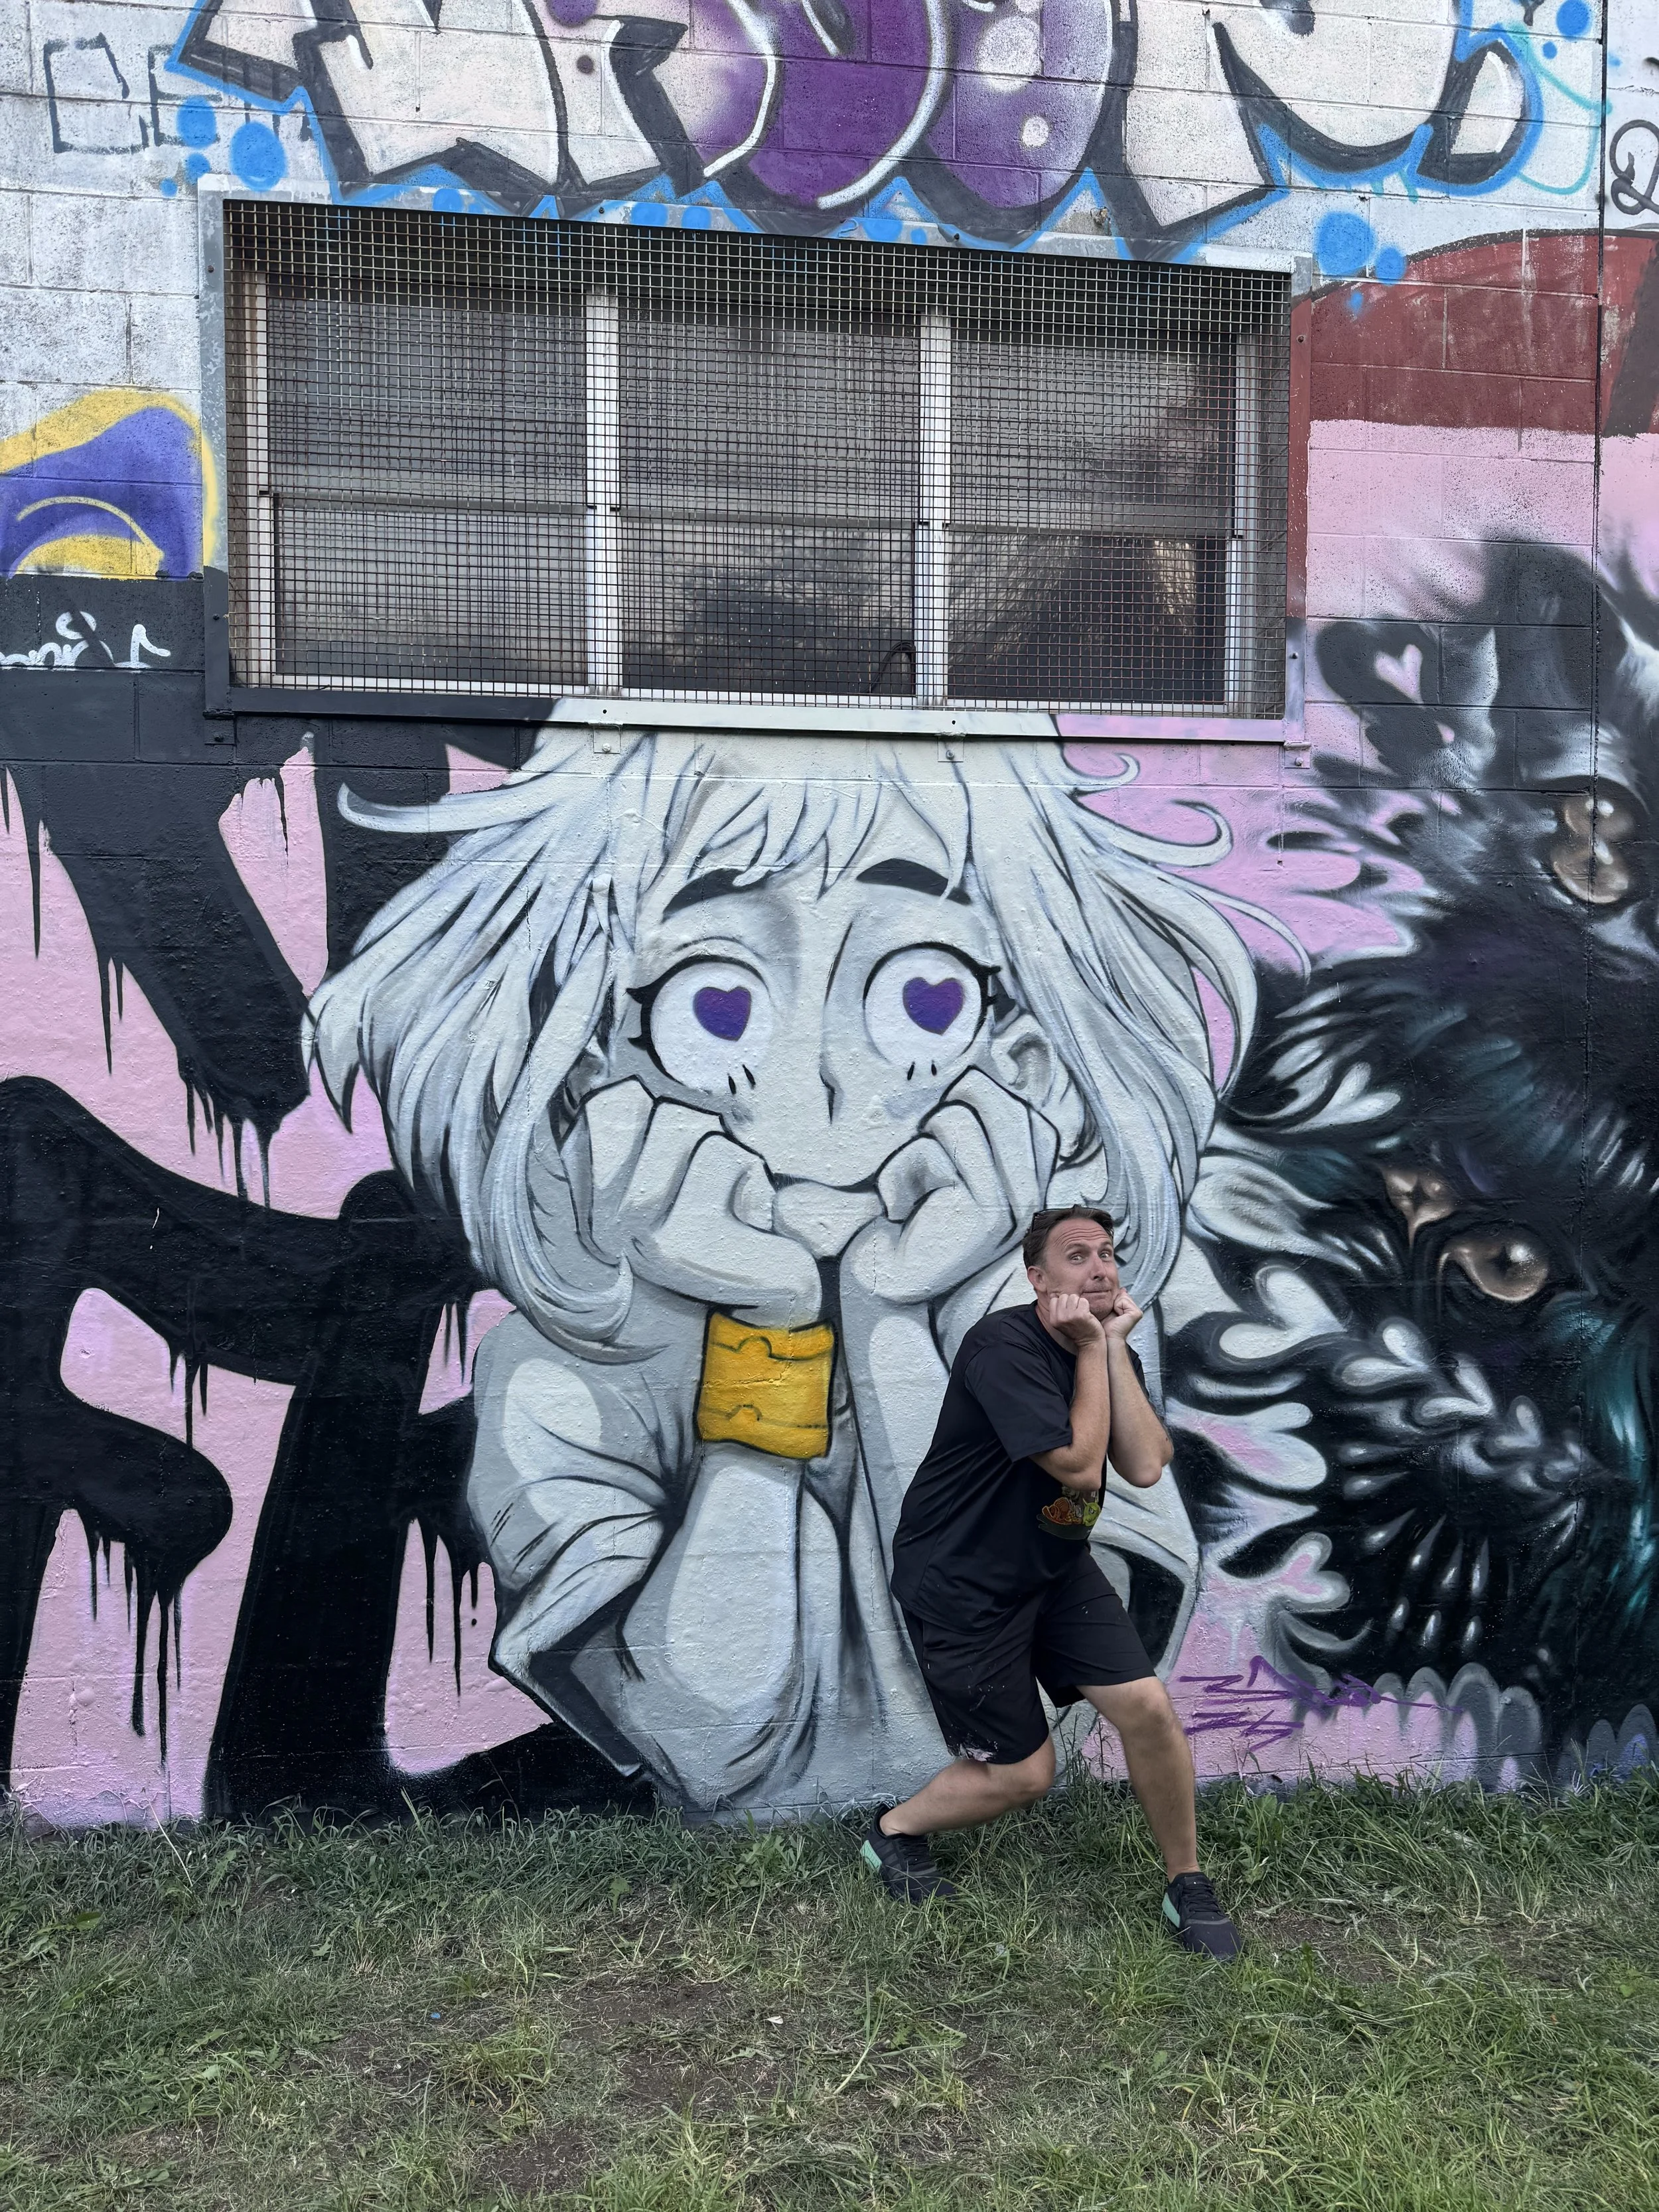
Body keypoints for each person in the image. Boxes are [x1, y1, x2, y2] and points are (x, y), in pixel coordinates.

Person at [866, 1205, 1241, 1958]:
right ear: (1038, 1278)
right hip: (964, 1584)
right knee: (1025, 1775)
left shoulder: (1098, 1346)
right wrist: (1089, 1351)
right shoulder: (1000, 1347)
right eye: (1077, 1257)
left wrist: (1107, 1347)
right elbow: (1074, 1464)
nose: (1101, 1268)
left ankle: (1186, 1883)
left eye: (1107, 1253)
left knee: (1146, 1708)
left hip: (1054, 1567)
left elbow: (1142, 1463)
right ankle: (892, 1832)